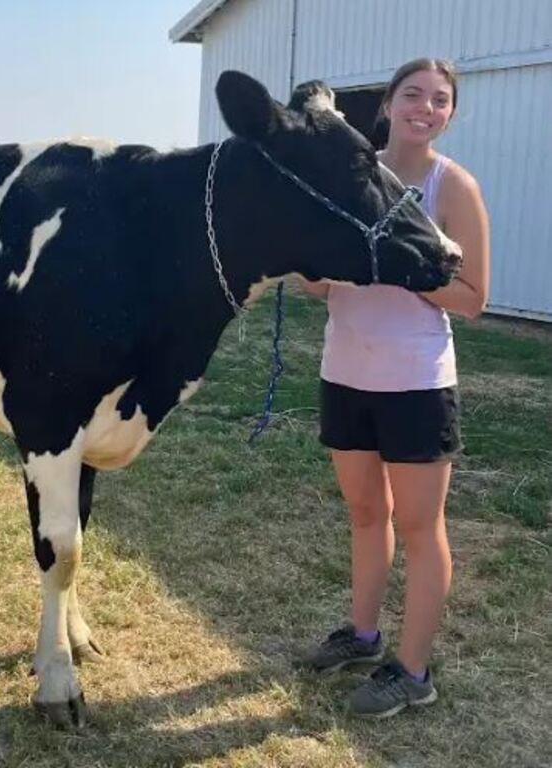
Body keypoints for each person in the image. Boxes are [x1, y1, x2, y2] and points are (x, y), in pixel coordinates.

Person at [300, 58, 491, 718]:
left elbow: (471, 298)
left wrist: (396, 264)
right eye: (413, 94)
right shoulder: (351, 178)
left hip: (415, 382)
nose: (425, 106)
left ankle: (411, 672)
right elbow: (318, 285)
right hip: (345, 371)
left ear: (449, 114)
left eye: (439, 99)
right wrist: (313, 260)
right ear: (386, 103)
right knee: (362, 514)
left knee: (417, 526)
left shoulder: (451, 185)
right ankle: (361, 635)